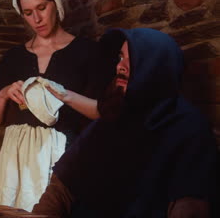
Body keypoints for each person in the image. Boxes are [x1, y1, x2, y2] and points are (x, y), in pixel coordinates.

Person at [33, 28, 218, 217]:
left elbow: (189, 206)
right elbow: (62, 186)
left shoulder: (189, 129)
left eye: (133, 60)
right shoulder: (114, 115)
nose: (120, 66)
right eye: (121, 57)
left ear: (157, 67)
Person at [0, 0, 116, 211]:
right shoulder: (13, 59)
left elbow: (103, 113)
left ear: (56, 3)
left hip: (64, 157)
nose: (37, 19)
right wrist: (3, 94)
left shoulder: (87, 52)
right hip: (16, 159)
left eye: (42, 7)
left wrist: (65, 95)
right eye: (28, 13)